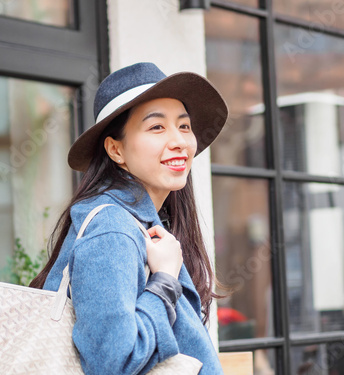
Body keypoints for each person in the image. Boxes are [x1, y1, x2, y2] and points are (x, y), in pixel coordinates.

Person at [29, 62, 228, 374]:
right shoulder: (112, 229)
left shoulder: (147, 224)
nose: (178, 141)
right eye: (156, 127)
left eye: (184, 126)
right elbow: (112, 362)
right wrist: (164, 282)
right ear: (115, 150)